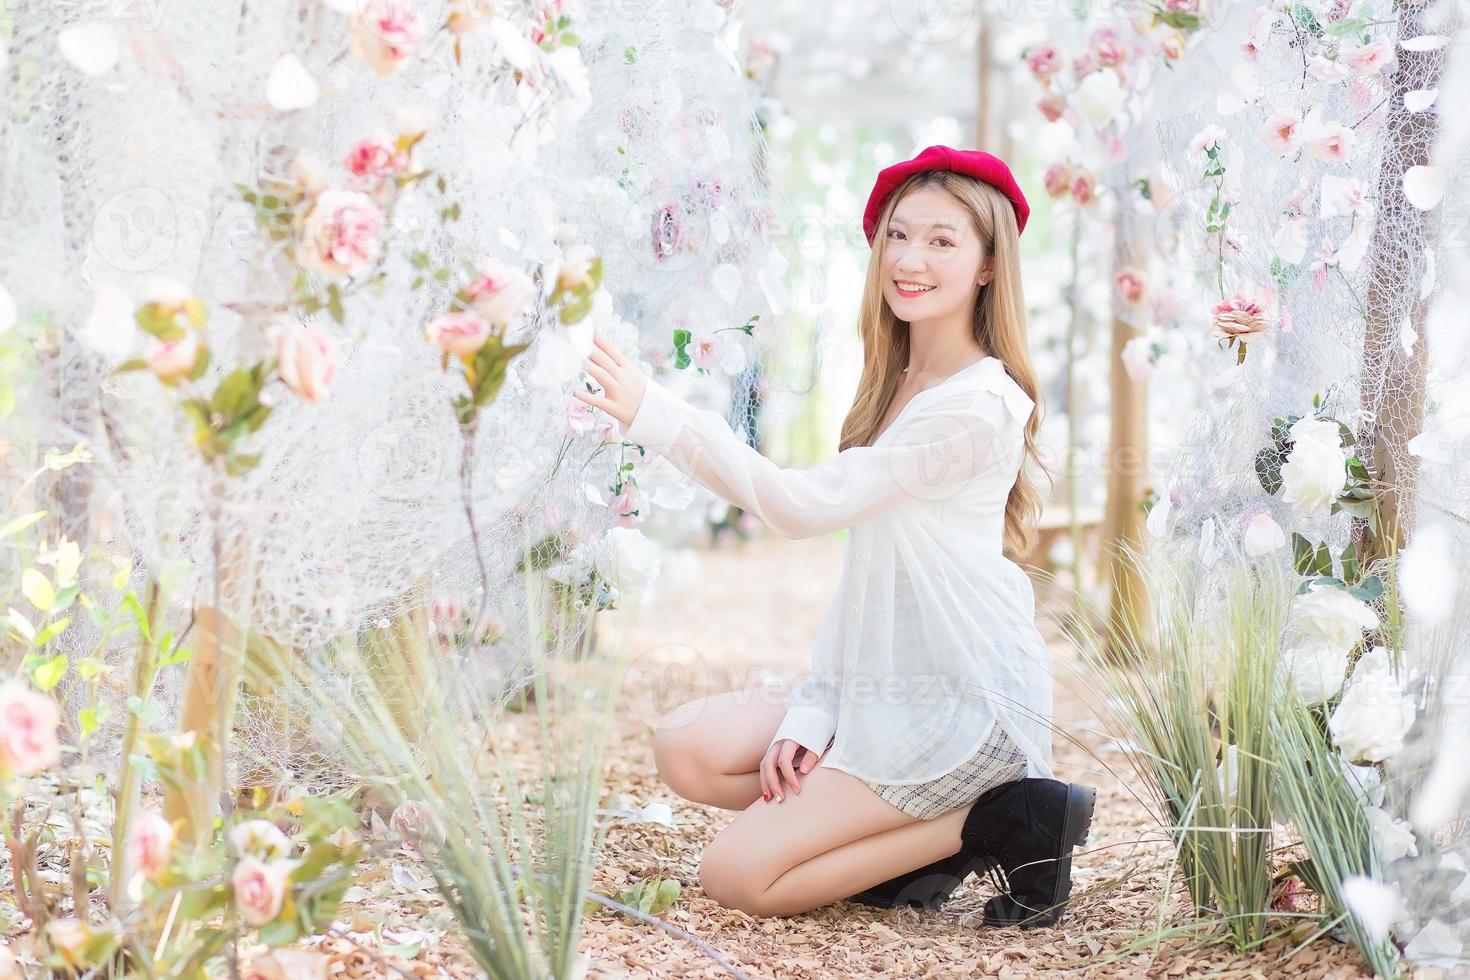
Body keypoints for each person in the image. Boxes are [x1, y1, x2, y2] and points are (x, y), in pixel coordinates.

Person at [572, 145, 1095, 927]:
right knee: (686, 747)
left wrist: (660, 414)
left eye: (943, 241)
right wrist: (818, 708)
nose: (910, 259)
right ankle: (907, 845)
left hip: (957, 700)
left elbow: (796, 507)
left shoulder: (979, 406)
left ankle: (1005, 818)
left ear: (990, 265)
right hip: (885, 681)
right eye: (898, 235)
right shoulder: (902, 386)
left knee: (737, 875)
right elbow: (870, 589)